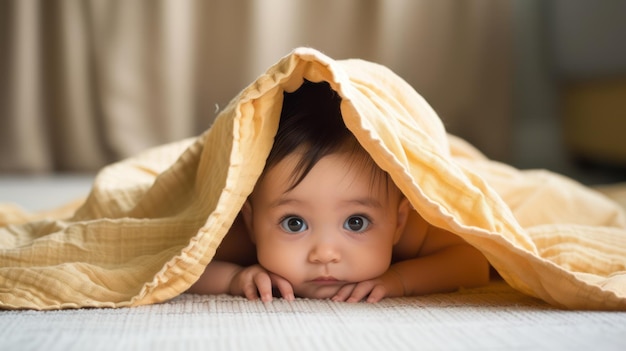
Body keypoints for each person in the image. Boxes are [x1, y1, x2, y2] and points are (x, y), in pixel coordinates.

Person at [188, 80, 490, 302]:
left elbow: (473, 262)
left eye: (355, 222)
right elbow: (179, 263)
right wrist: (232, 278)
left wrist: (401, 279)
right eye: (294, 223)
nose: (325, 254)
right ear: (251, 220)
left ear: (397, 222)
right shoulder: (236, 228)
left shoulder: (413, 222)